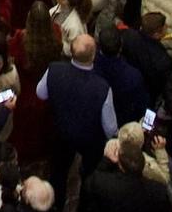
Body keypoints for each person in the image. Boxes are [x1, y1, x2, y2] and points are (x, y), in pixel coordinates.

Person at [36, 33, 117, 198]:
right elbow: (110, 128)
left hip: (61, 132)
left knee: (58, 173)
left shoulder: (54, 69)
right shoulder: (102, 87)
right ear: (94, 56)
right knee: (88, 177)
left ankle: (56, 206)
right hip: (89, 140)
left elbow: (41, 94)